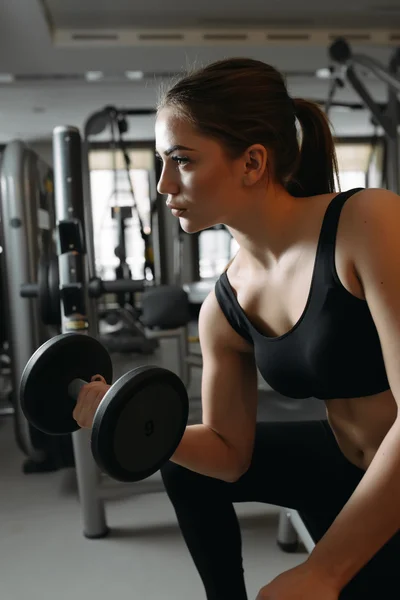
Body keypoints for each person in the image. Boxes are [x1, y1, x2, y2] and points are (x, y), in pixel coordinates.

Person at [74, 58, 400, 600]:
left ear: (252, 162)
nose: (163, 183)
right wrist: (122, 416)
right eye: (161, 161)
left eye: (181, 160)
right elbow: (228, 453)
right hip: (344, 465)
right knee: (185, 469)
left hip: (391, 480)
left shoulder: (367, 223)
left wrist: (323, 570)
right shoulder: (224, 306)